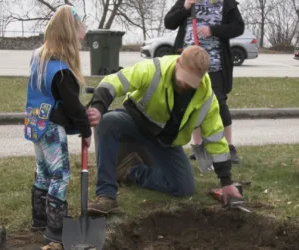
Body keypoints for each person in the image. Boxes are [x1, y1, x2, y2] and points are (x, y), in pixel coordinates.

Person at [86, 45, 242, 216]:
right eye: (183, 78)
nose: (184, 84)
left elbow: (215, 139)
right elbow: (113, 82)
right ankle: (106, 195)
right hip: (136, 123)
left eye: (190, 82)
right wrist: (98, 108)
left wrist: (226, 181)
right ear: (177, 63)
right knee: (108, 122)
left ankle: (131, 170)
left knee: (184, 188)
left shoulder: (206, 98)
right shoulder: (154, 69)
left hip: (166, 141)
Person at [23, 5, 91, 243]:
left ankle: (39, 220)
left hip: (36, 124)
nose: (80, 47)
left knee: (43, 172)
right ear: (70, 38)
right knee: (60, 176)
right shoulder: (62, 71)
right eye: (79, 41)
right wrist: (86, 129)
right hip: (51, 130)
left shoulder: (39, 58)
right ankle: (55, 229)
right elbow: (73, 106)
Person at [164, 0, 245, 164]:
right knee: (192, 103)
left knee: (219, 103)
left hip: (214, 64)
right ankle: (199, 146)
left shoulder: (226, 3)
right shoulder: (187, 1)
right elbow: (169, 22)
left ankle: (229, 147)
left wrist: (213, 30)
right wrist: (185, 7)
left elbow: (238, 27)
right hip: (188, 65)